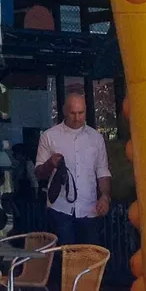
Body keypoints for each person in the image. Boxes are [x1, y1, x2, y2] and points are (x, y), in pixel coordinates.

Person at [34, 89, 111, 248]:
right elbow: (39, 174)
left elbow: (102, 171)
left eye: (81, 113)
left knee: (89, 255)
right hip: (59, 208)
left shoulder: (96, 138)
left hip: (89, 209)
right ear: (64, 111)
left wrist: (105, 196)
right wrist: (50, 163)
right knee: (63, 256)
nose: (77, 118)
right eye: (73, 113)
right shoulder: (49, 136)